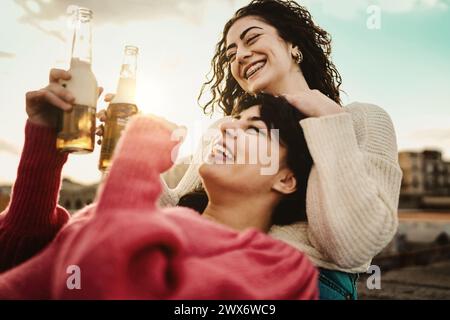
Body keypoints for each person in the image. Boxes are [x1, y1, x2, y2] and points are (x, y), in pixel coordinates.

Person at [139, 0, 403, 300]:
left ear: (293, 43)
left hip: (310, 283)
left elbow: (351, 248)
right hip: (209, 272)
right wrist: (134, 157)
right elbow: (178, 214)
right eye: (231, 54)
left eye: (251, 39)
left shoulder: (359, 120)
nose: (240, 55)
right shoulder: (224, 131)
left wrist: (330, 122)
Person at [0, 94, 318, 299]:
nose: (226, 129)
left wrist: (136, 160)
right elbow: (20, 259)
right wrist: (43, 139)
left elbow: (97, 286)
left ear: (286, 179)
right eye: (232, 121)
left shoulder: (281, 269)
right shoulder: (151, 215)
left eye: (254, 129)